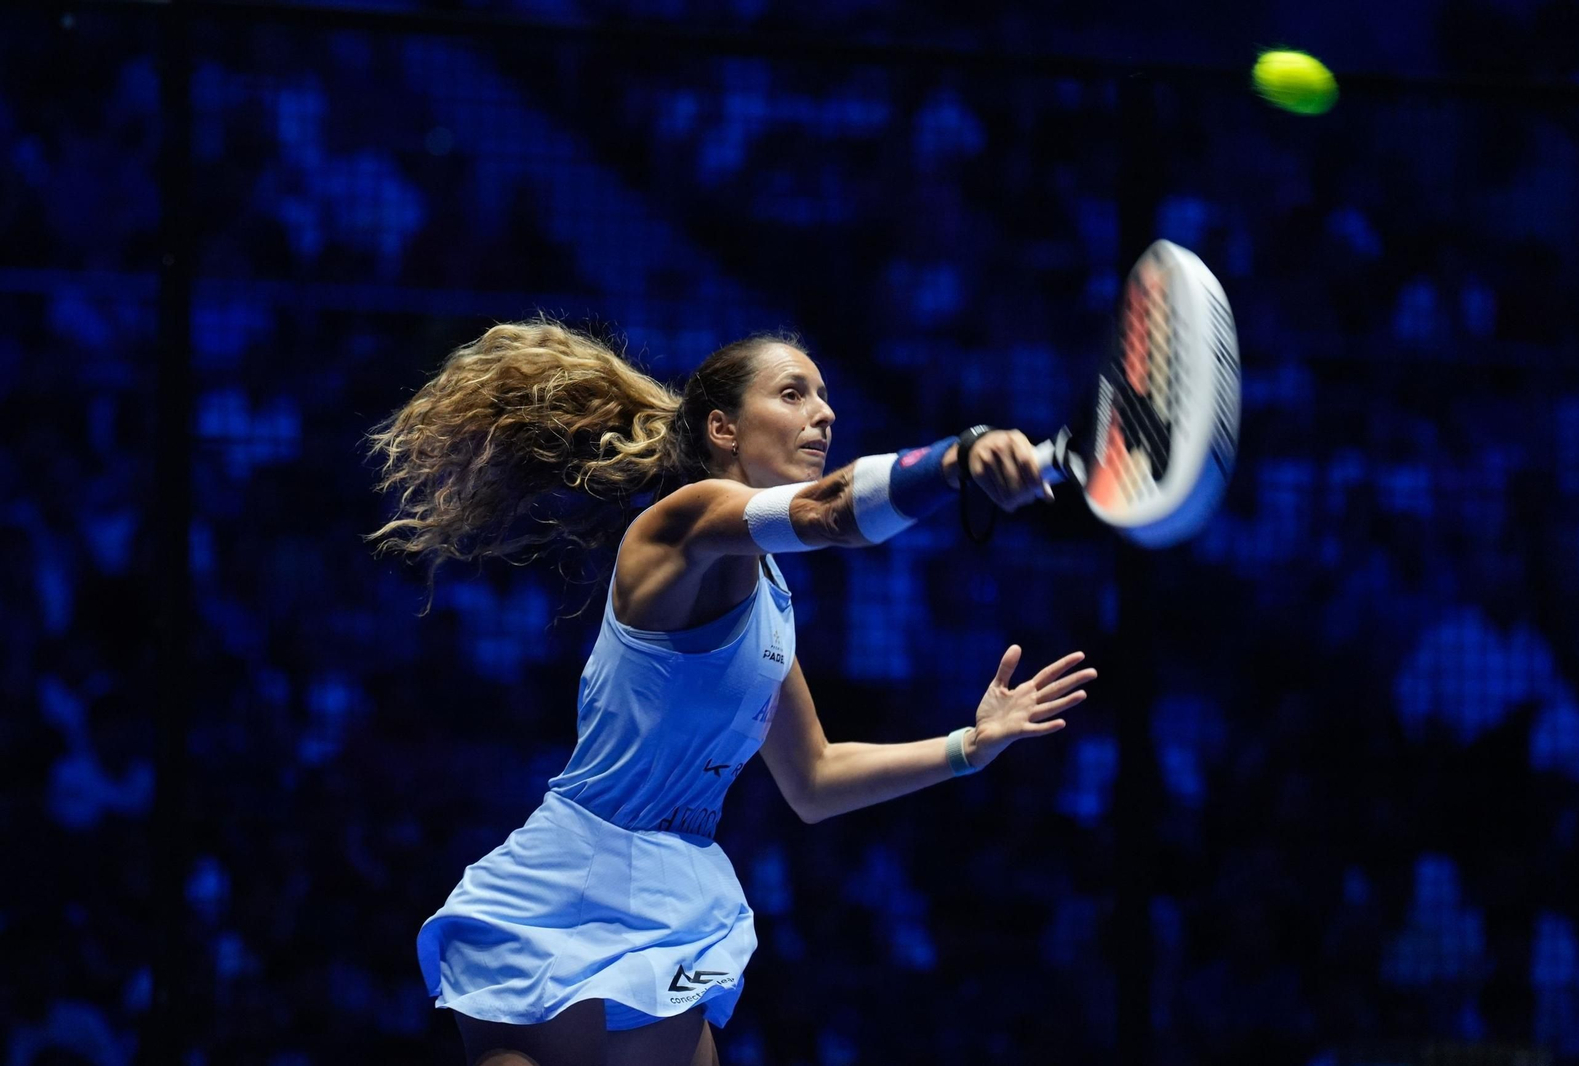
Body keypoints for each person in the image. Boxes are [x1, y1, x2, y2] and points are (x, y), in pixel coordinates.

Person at [365, 319, 1097, 1066]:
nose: (825, 413)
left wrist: (967, 748)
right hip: (570, 881)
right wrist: (957, 458)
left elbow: (814, 778)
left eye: (826, 397)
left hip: (671, 891)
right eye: (793, 393)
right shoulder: (682, 521)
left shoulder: (771, 599)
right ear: (723, 428)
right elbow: (829, 512)